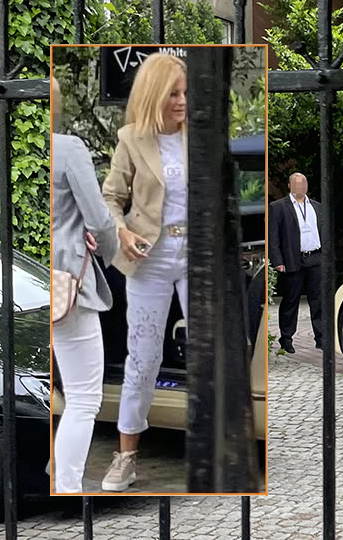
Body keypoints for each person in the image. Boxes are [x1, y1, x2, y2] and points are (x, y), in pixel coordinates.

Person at [99, 52, 188, 492]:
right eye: (173, 93)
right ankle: (126, 457)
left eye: (185, 92)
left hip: (196, 255)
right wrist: (121, 231)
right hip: (149, 258)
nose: (182, 101)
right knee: (144, 358)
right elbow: (111, 198)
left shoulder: (201, 137)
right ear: (154, 94)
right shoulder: (131, 138)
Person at [50, 76, 119, 493]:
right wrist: (108, 252)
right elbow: (99, 220)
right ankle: (68, 488)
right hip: (67, 286)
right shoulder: (68, 148)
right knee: (83, 397)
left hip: (24, 281)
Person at [268, 172, 323, 353]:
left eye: (303, 183)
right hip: (293, 258)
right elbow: (273, 236)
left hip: (316, 257)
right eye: (297, 183)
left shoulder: (317, 207)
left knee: (318, 300)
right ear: (290, 186)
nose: (300, 187)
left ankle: (321, 337)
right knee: (291, 300)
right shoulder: (278, 207)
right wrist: (277, 260)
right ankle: (286, 338)